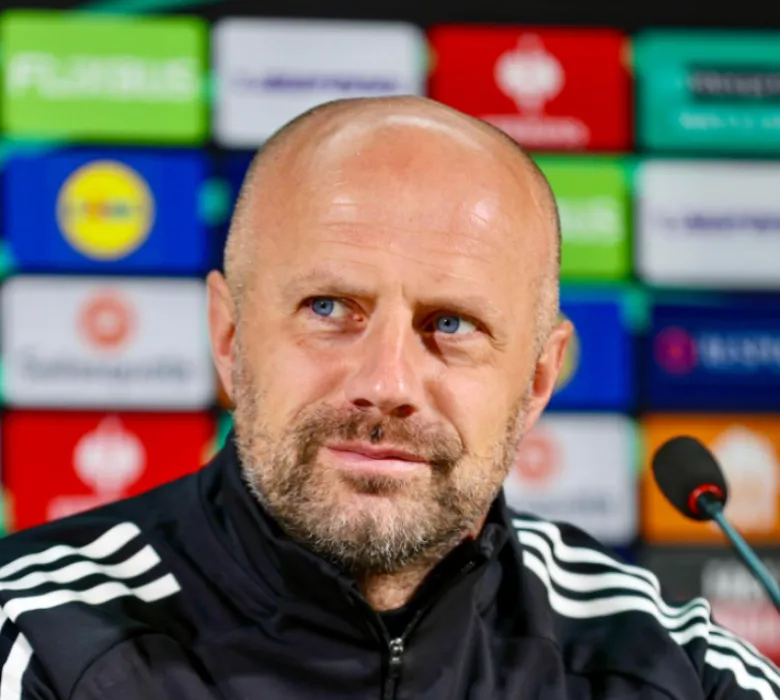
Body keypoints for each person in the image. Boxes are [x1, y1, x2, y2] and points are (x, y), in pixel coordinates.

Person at [0, 96, 775, 700]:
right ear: (229, 337)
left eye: (451, 324)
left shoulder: (673, 666)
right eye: (329, 308)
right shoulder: (37, 639)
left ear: (539, 380)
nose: (387, 383)